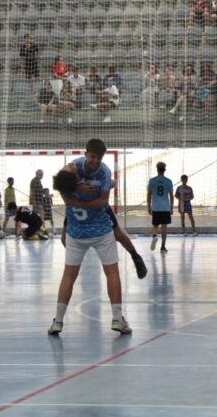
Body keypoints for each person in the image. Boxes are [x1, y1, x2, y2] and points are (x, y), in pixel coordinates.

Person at [48, 167, 131, 336]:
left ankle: (58, 320)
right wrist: (106, 180)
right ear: (76, 176)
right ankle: (117, 318)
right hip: (101, 232)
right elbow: (112, 184)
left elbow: (63, 182)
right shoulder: (93, 185)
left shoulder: (66, 191)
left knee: (68, 276)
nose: (73, 166)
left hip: (76, 234)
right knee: (112, 273)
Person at [68, 139, 147, 279]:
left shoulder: (103, 171)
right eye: (92, 157)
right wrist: (77, 188)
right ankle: (74, 262)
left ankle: (135, 256)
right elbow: (60, 181)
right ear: (86, 155)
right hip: (77, 210)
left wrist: (109, 184)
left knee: (118, 235)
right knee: (65, 237)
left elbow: (104, 199)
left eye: (99, 158)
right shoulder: (75, 165)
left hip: (97, 207)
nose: (95, 161)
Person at [147, 162, 174, 252]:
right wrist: (171, 208)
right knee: (164, 227)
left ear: (157, 169)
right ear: (164, 170)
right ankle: (163, 246)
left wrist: (149, 207)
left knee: (155, 225)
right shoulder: (168, 181)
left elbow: (149, 195)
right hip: (165, 207)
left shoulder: (152, 181)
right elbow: (171, 196)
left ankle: (154, 236)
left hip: (155, 207)